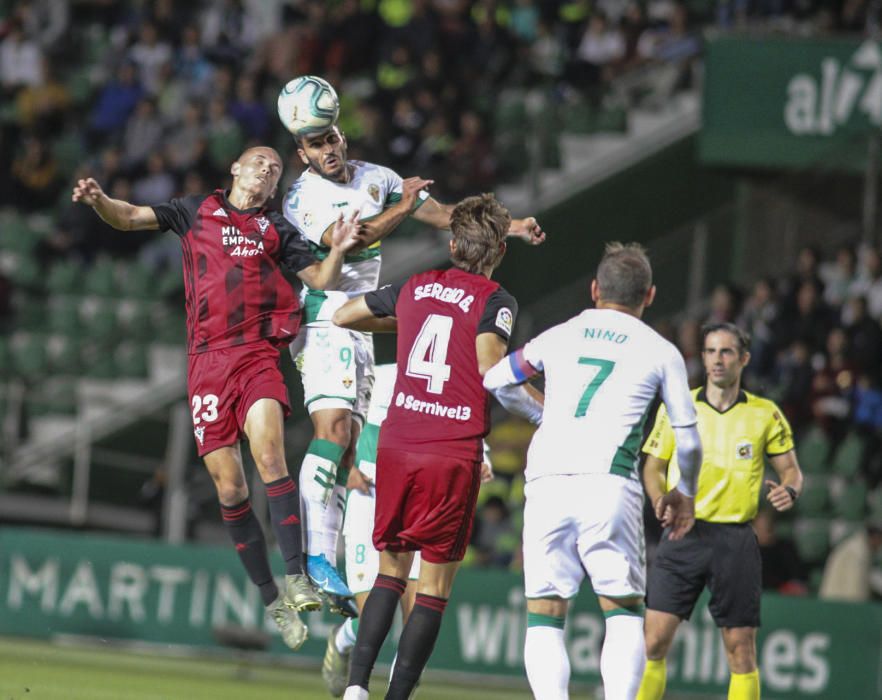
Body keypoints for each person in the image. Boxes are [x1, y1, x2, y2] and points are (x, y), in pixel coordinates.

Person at [72, 146, 364, 652]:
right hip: (207, 364)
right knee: (230, 489)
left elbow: (321, 278)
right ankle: (272, 598)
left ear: (276, 188)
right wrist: (99, 200)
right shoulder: (194, 211)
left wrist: (336, 249)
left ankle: (297, 577)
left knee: (270, 454)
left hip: (255, 356)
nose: (266, 170)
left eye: (274, 169)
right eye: (258, 162)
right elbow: (128, 217)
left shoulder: (277, 230)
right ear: (235, 168)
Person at [282, 122, 545, 608]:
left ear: (343, 137)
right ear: (303, 154)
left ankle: (323, 562)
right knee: (335, 429)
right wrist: (401, 206)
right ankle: (310, 561)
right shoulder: (301, 197)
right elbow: (351, 241)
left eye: (333, 138)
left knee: (344, 445)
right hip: (325, 315)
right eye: (316, 144)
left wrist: (510, 227)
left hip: (358, 323)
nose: (329, 149)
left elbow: (446, 217)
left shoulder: (377, 177)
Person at [483, 242, 702, 700]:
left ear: (595, 289)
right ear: (650, 295)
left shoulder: (561, 334)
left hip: (547, 480)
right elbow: (690, 438)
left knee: (544, 614)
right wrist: (686, 491)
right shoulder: (661, 351)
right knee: (622, 612)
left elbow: (498, 379)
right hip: (609, 482)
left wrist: (540, 412)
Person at [331, 193, 521, 699]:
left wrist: (408, 322)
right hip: (449, 448)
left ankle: (355, 689)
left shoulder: (415, 287)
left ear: (453, 242)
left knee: (389, 573)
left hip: (397, 443)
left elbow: (344, 315)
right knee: (432, 589)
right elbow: (487, 368)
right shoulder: (495, 300)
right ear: (499, 250)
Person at [638, 321, 804, 700]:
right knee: (653, 642)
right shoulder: (680, 405)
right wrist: (658, 496)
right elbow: (653, 466)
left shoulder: (764, 414)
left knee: (740, 648)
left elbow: (791, 470)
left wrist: (790, 490)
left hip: (735, 539)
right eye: (711, 351)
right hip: (683, 534)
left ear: (743, 359)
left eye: (726, 351)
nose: (717, 360)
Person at [321, 363, 494, 697]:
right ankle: (343, 642)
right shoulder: (382, 375)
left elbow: (476, 445)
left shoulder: (456, 384)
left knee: (416, 612)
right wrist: (347, 468)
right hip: (369, 498)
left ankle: (397, 692)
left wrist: (482, 463)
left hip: (420, 501)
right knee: (374, 608)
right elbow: (338, 424)